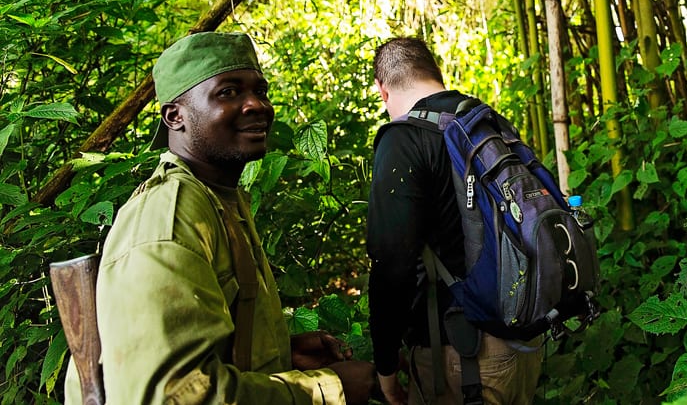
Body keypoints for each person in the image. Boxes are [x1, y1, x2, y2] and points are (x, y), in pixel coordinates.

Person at [63, 31, 376, 405]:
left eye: (260, 91)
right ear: (175, 116)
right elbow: (172, 395)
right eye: (228, 92)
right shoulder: (172, 218)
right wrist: (327, 390)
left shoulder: (216, 197)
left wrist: (276, 353)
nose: (256, 105)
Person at [367, 37, 542, 405]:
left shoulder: (404, 138)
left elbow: (391, 265)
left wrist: (384, 367)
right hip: (521, 345)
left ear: (382, 91)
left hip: (462, 358)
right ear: (436, 74)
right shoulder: (486, 122)